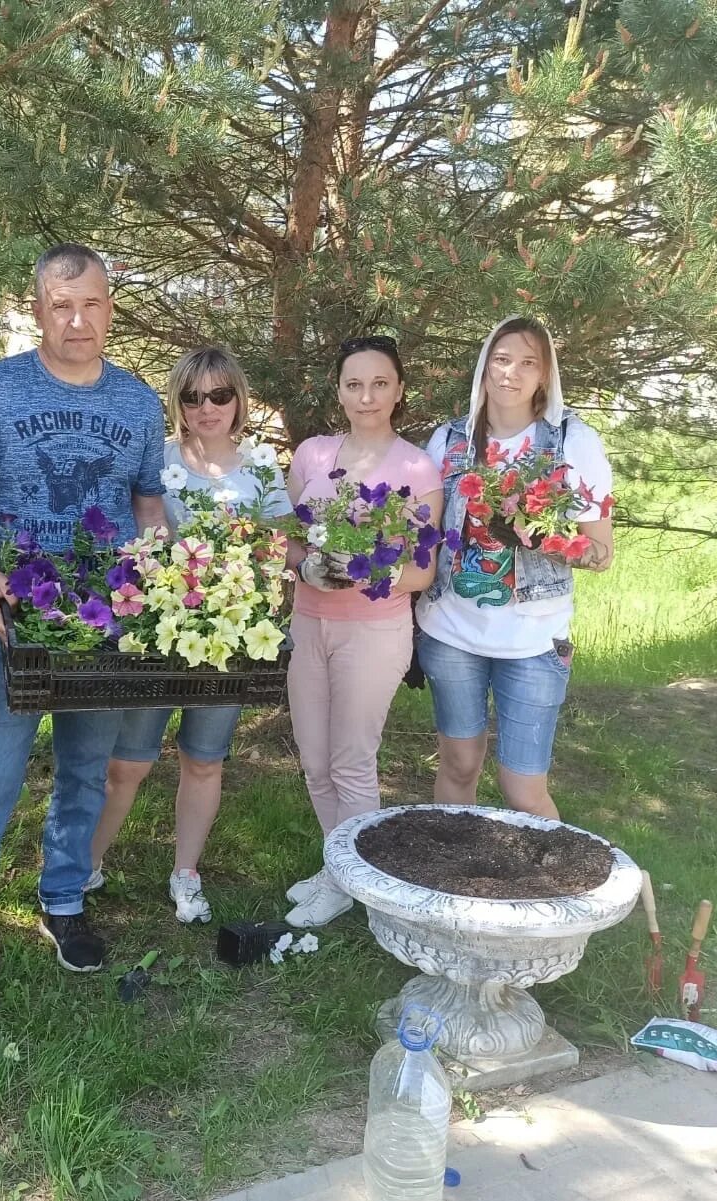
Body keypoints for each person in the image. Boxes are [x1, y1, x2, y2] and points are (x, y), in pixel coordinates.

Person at [0, 243, 166, 1018]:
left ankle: (63, 900)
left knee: (86, 770)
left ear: (110, 307)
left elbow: (148, 503)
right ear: (39, 309)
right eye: (61, 307)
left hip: (104, 624)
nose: (78, 320)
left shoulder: (139, 402)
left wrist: (153, 570)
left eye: (91, 304)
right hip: (17, 621)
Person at [89, 347, 293, 924]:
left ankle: (186, 874)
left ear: (239, 400)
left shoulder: (260, 468)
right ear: (177, 402)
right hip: (158, 633)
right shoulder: (155, 460)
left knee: (204, 760)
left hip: (229, 639)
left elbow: (280, 547)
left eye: (220, 395)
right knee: (128, 763)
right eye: (193, 396)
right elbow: (136, 541)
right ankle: (86, 865)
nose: (207, 408)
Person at [415, 316, 613, 821]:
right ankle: (456, 878)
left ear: (544, 375)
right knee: (458, 767)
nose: (511, 373)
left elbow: (600, 552)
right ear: (485, 367)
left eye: (528, 362)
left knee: (522, 790)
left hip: (534, 640)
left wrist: (542, 536)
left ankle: (554, 888)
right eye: (501, 359)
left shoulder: (572, 441)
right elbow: (422, 532)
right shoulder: (448, 440)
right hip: (451, 632)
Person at [282, 335, 443, 928]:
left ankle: (364, 886)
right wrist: (305, 565)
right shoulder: (312, 456)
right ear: (339, 391)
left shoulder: (416, 466)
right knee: (315, 762)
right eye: (355, 384)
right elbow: (292, 538)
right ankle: (339, 870)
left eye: (380, 383)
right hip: (309, 621)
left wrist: (361, 569)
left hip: (373, 631)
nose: (367, 395)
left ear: (399, 390)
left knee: (352, 762)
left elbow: (422, 570)